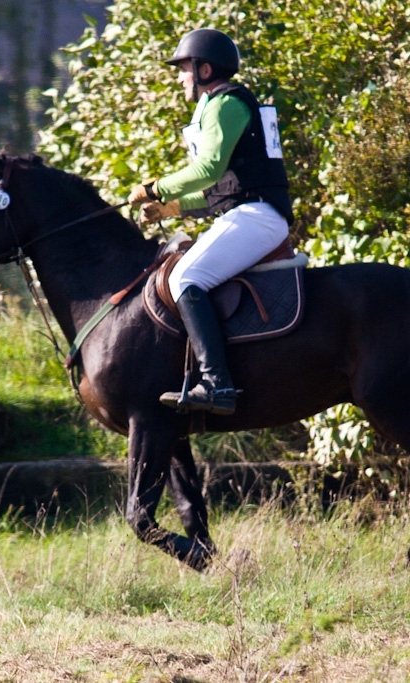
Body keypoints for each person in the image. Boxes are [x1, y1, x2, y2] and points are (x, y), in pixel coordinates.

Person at [127, 28, 294, 416]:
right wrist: (171, 208)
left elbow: (207, 169)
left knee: (184, 278)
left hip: (258, 216)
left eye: (183, 69)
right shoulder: (220, 107)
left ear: (204, 70)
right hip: (246, 211)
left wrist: (157, 188)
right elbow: (219, 188)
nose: (179, 77)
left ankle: (217, 384)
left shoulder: (225, 104)